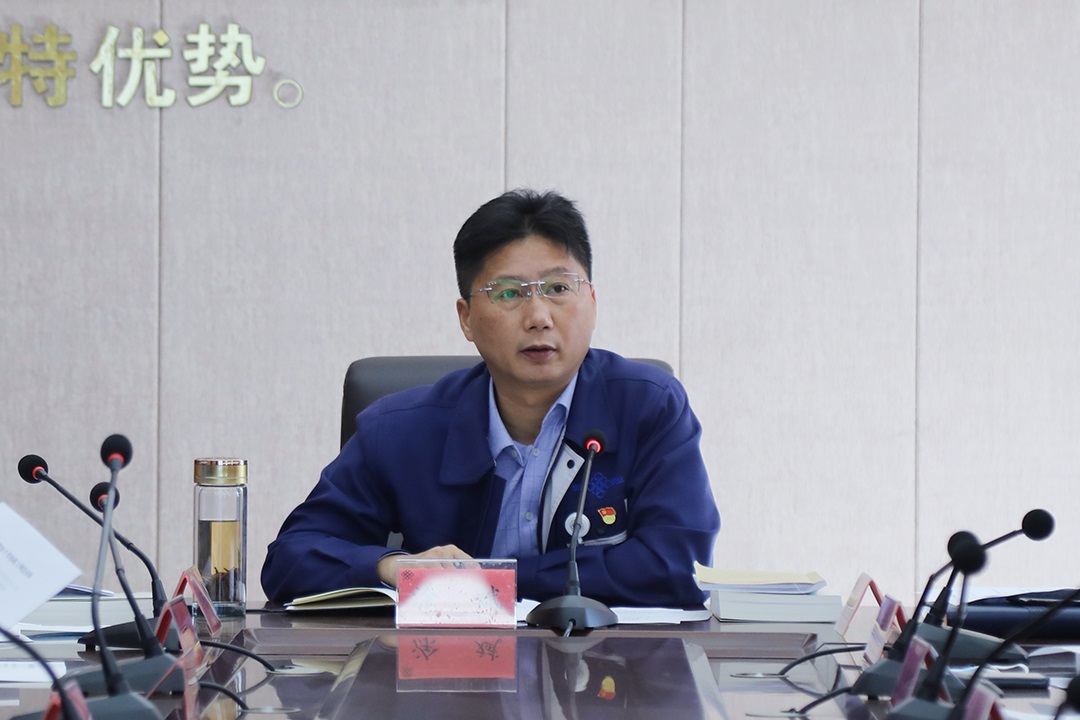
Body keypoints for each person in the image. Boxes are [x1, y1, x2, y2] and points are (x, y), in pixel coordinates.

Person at [261, 189, 720, 608]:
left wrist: (494, 581)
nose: (539, 316)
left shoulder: (648, 407)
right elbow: (291, 558)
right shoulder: (400, 430)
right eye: (508, 293)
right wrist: (392, 568)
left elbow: (678, 565)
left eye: (559, 289)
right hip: (447, 668)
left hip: (607, 667)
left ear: (593, 301)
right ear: (466, 318)